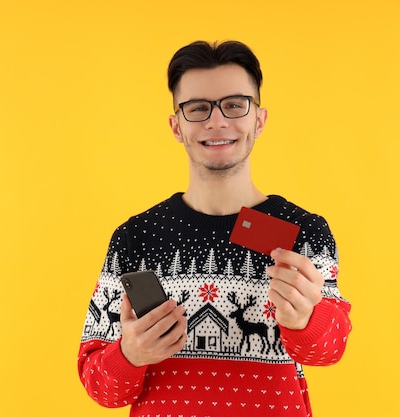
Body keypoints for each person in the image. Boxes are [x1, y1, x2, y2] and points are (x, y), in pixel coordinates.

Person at [77, 40, 351, 417]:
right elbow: (100, 386)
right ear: (176, 126)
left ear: (260, 118)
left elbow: (329, 351)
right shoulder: (136, 238)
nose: (217, 121)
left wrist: (306, 320)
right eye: (198, 108)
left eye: (235, 105)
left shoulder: (304, 232)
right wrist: (130, 354)